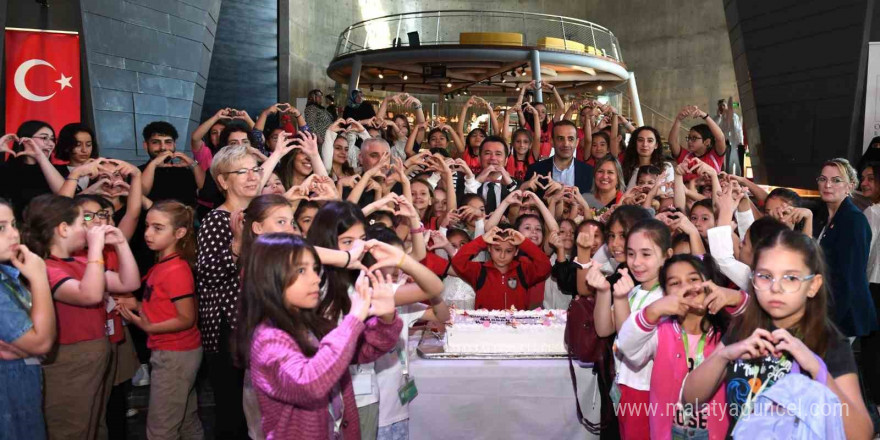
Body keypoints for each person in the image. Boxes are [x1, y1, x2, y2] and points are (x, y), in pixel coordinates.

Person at [682, 229, 874, 438]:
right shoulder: (743, 327)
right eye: (765, 276)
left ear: (813, 285)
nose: (776, 288)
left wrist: (818, 370)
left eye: (790, 278)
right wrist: (724, 355)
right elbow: (690, 399)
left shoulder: (829, 341)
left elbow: (861, 434)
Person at [236, 233, 402, 439]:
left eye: (315, 269)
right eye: (301, 270)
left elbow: (364, 351)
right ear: (270, 277)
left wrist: (386, 318)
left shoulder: (309, 325)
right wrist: (354, 318)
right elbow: (309, 383)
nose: (315, 278)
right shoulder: (267, 339)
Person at [22, 194, 140, 439]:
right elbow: (90, 295)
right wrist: (96, 248)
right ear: (64, 229)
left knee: (94, 423)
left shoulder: (81, 260)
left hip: (96, 352)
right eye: (82, 222)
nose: (89, 228)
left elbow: (129, 281)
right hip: (69, 358)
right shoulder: (46, 268)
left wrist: (120, 244)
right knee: (70, 427)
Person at [617, 254, 738, 439]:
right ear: (664, 295)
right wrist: (653, 310)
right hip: (666, 432)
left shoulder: (728, 335)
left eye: (693, 279)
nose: (686, 287)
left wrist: (736, 297)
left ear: (709, 284)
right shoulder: (660, 331)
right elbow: (627, 346)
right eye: (675, 283)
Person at [116, 200, 203, 440]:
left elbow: (186, 318)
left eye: (158, 228)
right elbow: (163, 307)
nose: (147, 233)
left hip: (175, 354)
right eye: (147, 226)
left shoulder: (175, 269)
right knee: (185, 419)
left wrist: (145, 325)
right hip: (175, 352)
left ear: (180, 233)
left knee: (161, 429)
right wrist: (138, 305)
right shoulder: (162, 264)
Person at [197, 145, 263, 439]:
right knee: (233, 413)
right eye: (242, 171)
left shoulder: (256, 215)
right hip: (228, 329)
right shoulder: (217, 220)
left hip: (253, 324)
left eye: (255, 170)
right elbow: (208, 274)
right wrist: (236, 246)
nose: (252, 176)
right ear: (223, 181)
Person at [587, 218, 671, 439]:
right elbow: (604, 329)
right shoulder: (635, 290)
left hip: (646, 389)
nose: (636, 262)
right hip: (625, 385)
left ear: (667, 256)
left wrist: (621, 298)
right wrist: (605, 293)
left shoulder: (665, 298)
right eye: (631, 254)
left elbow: (630, 344)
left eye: (646, 254)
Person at [0, 198, 55, 440]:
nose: (14, 235)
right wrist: (39, 277)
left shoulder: (7, 273)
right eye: (0, 228)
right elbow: (41, 341)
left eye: (13, 224)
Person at [815, 158, 878, 339]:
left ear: (850, 186)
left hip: (843, 316)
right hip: (828, 310)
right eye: (823, 179)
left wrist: (830, 322)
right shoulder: (824, 217)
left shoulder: (854, 220)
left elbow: (850, 277)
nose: (828, 185)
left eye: (836, 180)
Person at [451, 226, 551, 310]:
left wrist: (524, 242)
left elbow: (545, 267)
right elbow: (457, 262)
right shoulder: (479, 270)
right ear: (489, 248)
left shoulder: (523, 270)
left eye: (508, 251)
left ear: (516, 252)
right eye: (497, 249)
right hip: (486, 329)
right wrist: (481, 240)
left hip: (517, 329)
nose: (502, 256)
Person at [0, 122, 67, 218]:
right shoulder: (5, 170)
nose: (51, 144)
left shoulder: (57, 171)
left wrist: (40, 156)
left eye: (52, 139)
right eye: (44, 138)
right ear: (25, 140)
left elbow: (64, 196)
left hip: (48, 227)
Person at [139, 121, 205, 208]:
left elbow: (204, 189)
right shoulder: (138, 172)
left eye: (168, 142)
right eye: (155, 142)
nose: (163, 147)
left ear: (175, 144)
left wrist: (193, 164)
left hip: (186, 220)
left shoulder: (185, 170)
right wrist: (153, 164)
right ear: (145, 145)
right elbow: (141, 193)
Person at [524, 120, 595, 194]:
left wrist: (561, 189)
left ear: (577, 142)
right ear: (552, 142)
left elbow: (591, 203)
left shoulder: (588, 171)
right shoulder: (535, 170)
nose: (566, 144)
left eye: (570, 139)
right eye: (560, 139)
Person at [669, 105, 727, 177]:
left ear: (707, 142)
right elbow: (672, 142)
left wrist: (705, 116)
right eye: (689, 138)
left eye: (694, 138)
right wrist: (678, 119)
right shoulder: (685, 157)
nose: (689, 141)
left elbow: (720, 138)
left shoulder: (715, 156)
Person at [53, 123, 100, 192]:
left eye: (88, 145)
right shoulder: (55, 171)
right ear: (66, 147)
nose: (84, 150)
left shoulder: (101, 169)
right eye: (78, 145)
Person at [713, 98, 744, 175]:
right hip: (724, 144)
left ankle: (738, 181)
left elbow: (738, 129)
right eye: (720, 106)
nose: (722, 107)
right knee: (724, 163)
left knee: (737, 164)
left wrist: (740, 142)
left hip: (735, 143)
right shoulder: (718, 118)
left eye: (723, 105)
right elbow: (715, 128)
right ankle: (725, 178)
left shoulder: (734, 116)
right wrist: (719, 116)